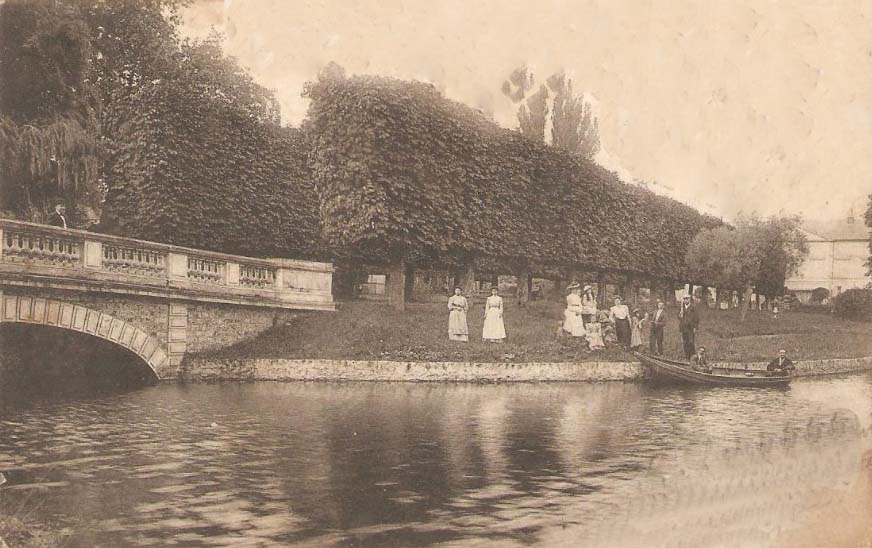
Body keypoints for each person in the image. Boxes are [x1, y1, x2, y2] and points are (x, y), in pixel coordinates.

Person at [678, 294, 699, 360]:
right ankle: (687, 357)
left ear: (689, 299)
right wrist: (680, 315)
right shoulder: (681, 307)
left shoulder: (693, 308)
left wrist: (695, 327)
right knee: (685, 342)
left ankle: (693, 357)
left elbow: (696, 318)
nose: (685, 300)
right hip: (684, 328)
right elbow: (678, 316)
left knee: (691, 342)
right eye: (684, 299)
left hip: (691, 328)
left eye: (687, 299)